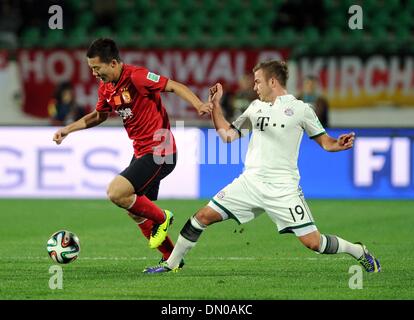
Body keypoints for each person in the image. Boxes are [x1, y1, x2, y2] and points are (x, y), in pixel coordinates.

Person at [143, 60, 381, 274]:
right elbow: (227, 135)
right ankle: (171, 264)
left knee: (313, 243)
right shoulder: (255, 107)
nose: (254, 86)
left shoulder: (301, 110)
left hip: (283, 188)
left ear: (273, 81)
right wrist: (215, 105)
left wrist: (338, 144)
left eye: (258, 81)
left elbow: (326, 143)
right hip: (250, 183)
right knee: (202, 216)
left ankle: (358, 251)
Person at [53, 38, 213, 264]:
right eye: (91, 69)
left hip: (160, 149)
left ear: (114, 63)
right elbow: (98, 115)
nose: (95, 74)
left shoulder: (137, 76)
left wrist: (198, 105)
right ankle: (171, 259)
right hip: (142, 152)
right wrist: (68, 129)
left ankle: (162, 216)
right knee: (135, 209)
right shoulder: (106, 87)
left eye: (97, 68)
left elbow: (174, 86)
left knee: (116, 192)